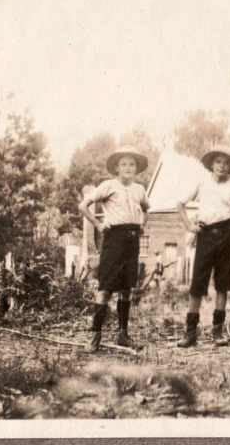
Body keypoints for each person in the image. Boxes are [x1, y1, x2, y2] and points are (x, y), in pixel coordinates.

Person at [176, 146, 230, 348]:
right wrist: (190, 225)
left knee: (223, 283)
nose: (222, 166)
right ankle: (190, 333)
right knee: (197, 283)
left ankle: (217, 332)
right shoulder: (202, 182)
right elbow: (180, 203)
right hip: (205, 235)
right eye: (218, 162)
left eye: (226, 163)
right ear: (211, 164)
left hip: (226, 235)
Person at [79, 145, 150, 352]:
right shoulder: (108, 185)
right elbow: (83, 206)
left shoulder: (140, 189)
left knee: (127, 289)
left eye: (132, 164)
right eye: (124, 164)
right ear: (117, 168)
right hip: (113, 240)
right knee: (105, 288)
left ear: (136, 168)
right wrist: (98, 224)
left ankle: (123, 334)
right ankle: (95, 336)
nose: (128, 168)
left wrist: (141, 226)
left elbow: (147, 209)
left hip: (132, 240)